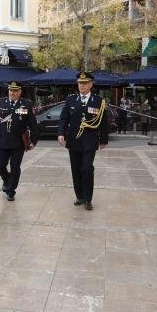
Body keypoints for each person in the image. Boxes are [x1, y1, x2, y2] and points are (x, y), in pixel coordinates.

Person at [57, 72, 110, 211]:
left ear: (91, 84)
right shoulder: (71, 100)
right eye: (80, 83)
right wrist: (61, 133)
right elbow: (64, 118)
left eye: (85, 83)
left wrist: (103, 140)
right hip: (74, 140)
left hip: (90, 141)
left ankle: (88, 198)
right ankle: (79, 196)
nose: (82, 85)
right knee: (75, 170)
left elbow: (104, 122)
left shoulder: (99, 101)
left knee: (86, 169)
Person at [0, 81, 38, 201]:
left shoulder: (26, 104)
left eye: (15, 90)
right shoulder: (0, 102)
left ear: (20, 92)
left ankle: (10, 190)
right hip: (2, 140)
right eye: (10, 90)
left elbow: (33, 124)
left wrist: (33, 140)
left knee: (15, 167)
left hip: (18, 142)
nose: (12, 93)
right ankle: (7, 180)